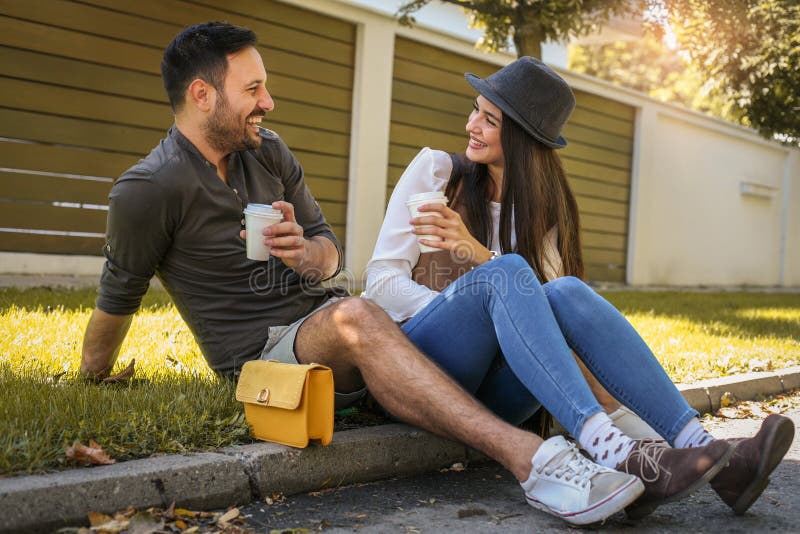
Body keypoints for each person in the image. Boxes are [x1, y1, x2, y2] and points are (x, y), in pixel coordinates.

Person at [78, 22, 739, 526]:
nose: (269, 102)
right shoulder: (148, 188)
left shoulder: (268, 153)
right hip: (264, 355)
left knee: (554, 288)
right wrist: (93, 374)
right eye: (252, 90)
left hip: (346, 334)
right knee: (362, 313)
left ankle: (672, 446)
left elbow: (330, 254)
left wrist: (302, 254)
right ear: (202, 95)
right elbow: (119, 294)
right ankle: (536, 463)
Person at [363, 56, 794, 519]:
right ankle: (616, 453)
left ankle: (709, 452)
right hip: (420, 365)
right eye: (475, 110)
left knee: (564, 292)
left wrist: (485, 269)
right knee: (507, 274)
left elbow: (553, 334)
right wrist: (478, 303)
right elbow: (381, 285)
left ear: (524, 139)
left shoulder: (542, 211)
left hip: (499, 393)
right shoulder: (437, 172)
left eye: (490, 120)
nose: (472, 125)